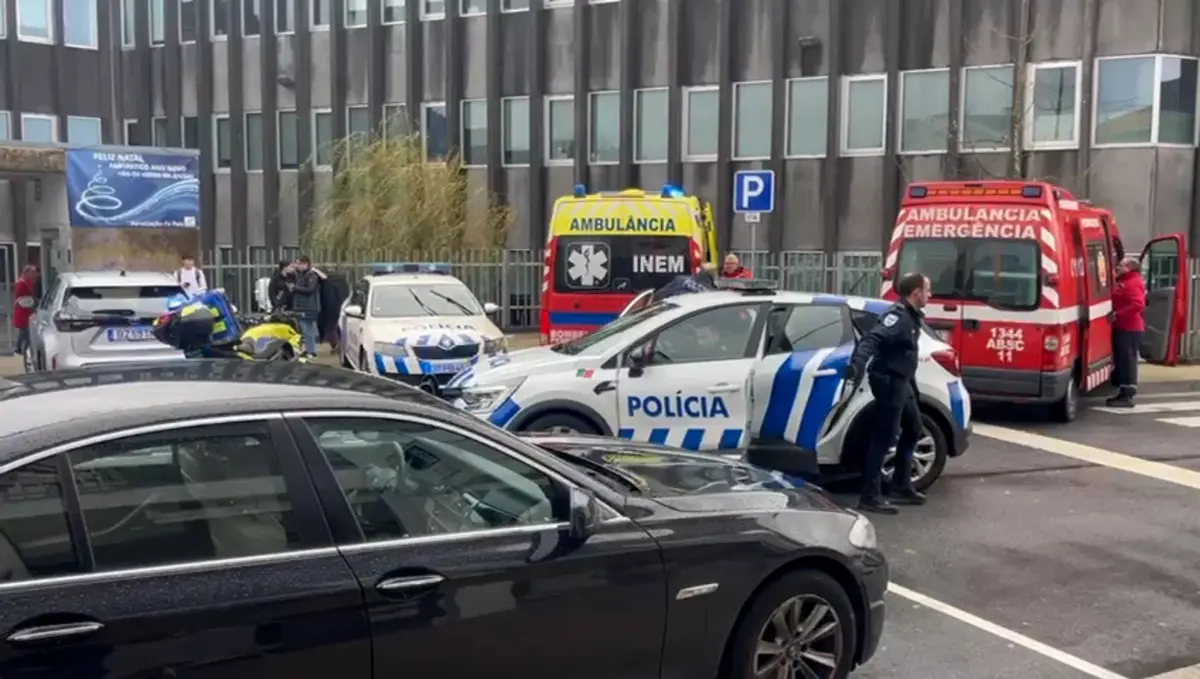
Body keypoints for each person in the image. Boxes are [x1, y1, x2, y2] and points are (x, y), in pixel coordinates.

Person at [845, 271, 931, 515]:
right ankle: (869, 496)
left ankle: (901, 486)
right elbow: (872, 339)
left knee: (914, 427)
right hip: (888, 381)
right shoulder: (898, 317)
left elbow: (905, 355)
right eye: (927, 290)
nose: (930, 295)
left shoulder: (912, 317)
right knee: (884, 436)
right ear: (916, 292)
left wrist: (912, 387)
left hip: (903, 381)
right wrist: (857, 364)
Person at [1108, 256, 1146, 408]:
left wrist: (1118, 314)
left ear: (1130, 268)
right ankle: (1123, 390)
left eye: (1122, 265)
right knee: (1122, 359)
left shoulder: (1132, 283)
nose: (1118, 267)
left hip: (1129, 328)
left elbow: (1138, 304)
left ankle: (1127, 394)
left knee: (1127, 360)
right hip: (1124, 326)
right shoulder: (1124, 281)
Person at [290, 256, 325, 358]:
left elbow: (310, 289)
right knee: (305, 329)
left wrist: (295, 288)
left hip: (309, 307)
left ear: (305, 264)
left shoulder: (311, 275)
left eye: (299, 264)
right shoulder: (301, 275)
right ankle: (309, 349)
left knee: (308, 329)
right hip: (302, 306)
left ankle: (312, 351)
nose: (297, 266)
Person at [651, 262, 719, 302]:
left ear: (699, 271)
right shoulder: (711, 293)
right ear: (713, 275)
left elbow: (659, 294)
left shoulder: (681, 280)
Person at [12, 265, 38, 357]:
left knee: (26, 330)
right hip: (22, 309)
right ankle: (18, 348)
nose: (34, 274)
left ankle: (23, 348)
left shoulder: (29, 282)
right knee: (24, 330)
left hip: (28, 308)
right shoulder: (22, 283)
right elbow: (20, 297)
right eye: (32, 272)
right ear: (27, 272)